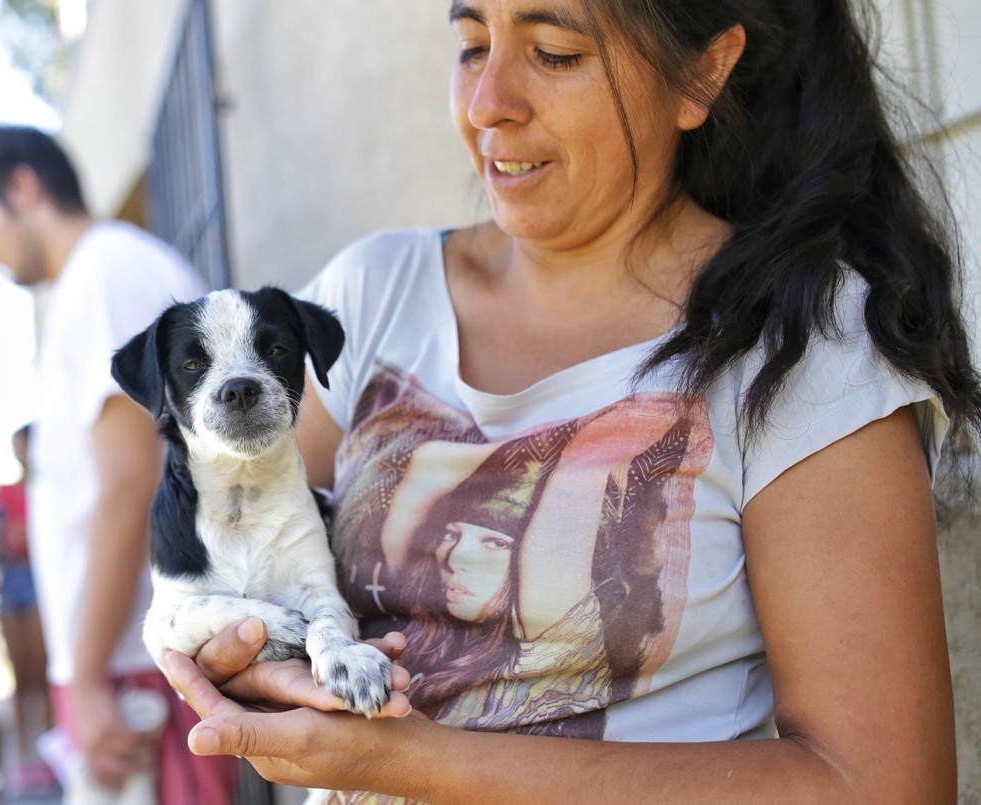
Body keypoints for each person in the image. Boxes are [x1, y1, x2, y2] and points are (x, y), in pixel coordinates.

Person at [158, 0, 981, 802]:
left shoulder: (806, 342)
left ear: (703, 72)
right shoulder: (373, 294)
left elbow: (882, 784)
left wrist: (415, 763)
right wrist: (256, 653)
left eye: (555, 52)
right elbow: (232, 550)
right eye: (473, 42)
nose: (488, 106)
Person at [0, 123, 236, 804]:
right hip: (131, 658)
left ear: (22, 187)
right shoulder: (99, 276)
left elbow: (132, 481)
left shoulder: (108, 272)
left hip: (141, 662)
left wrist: (94, 672)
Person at [0, 423, 58, 795]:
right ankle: (25, 757)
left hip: (41, 580)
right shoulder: (5, 492)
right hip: (13, 582)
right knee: (20, 675)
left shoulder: (48, 488)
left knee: (43, 674)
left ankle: (47, 755)